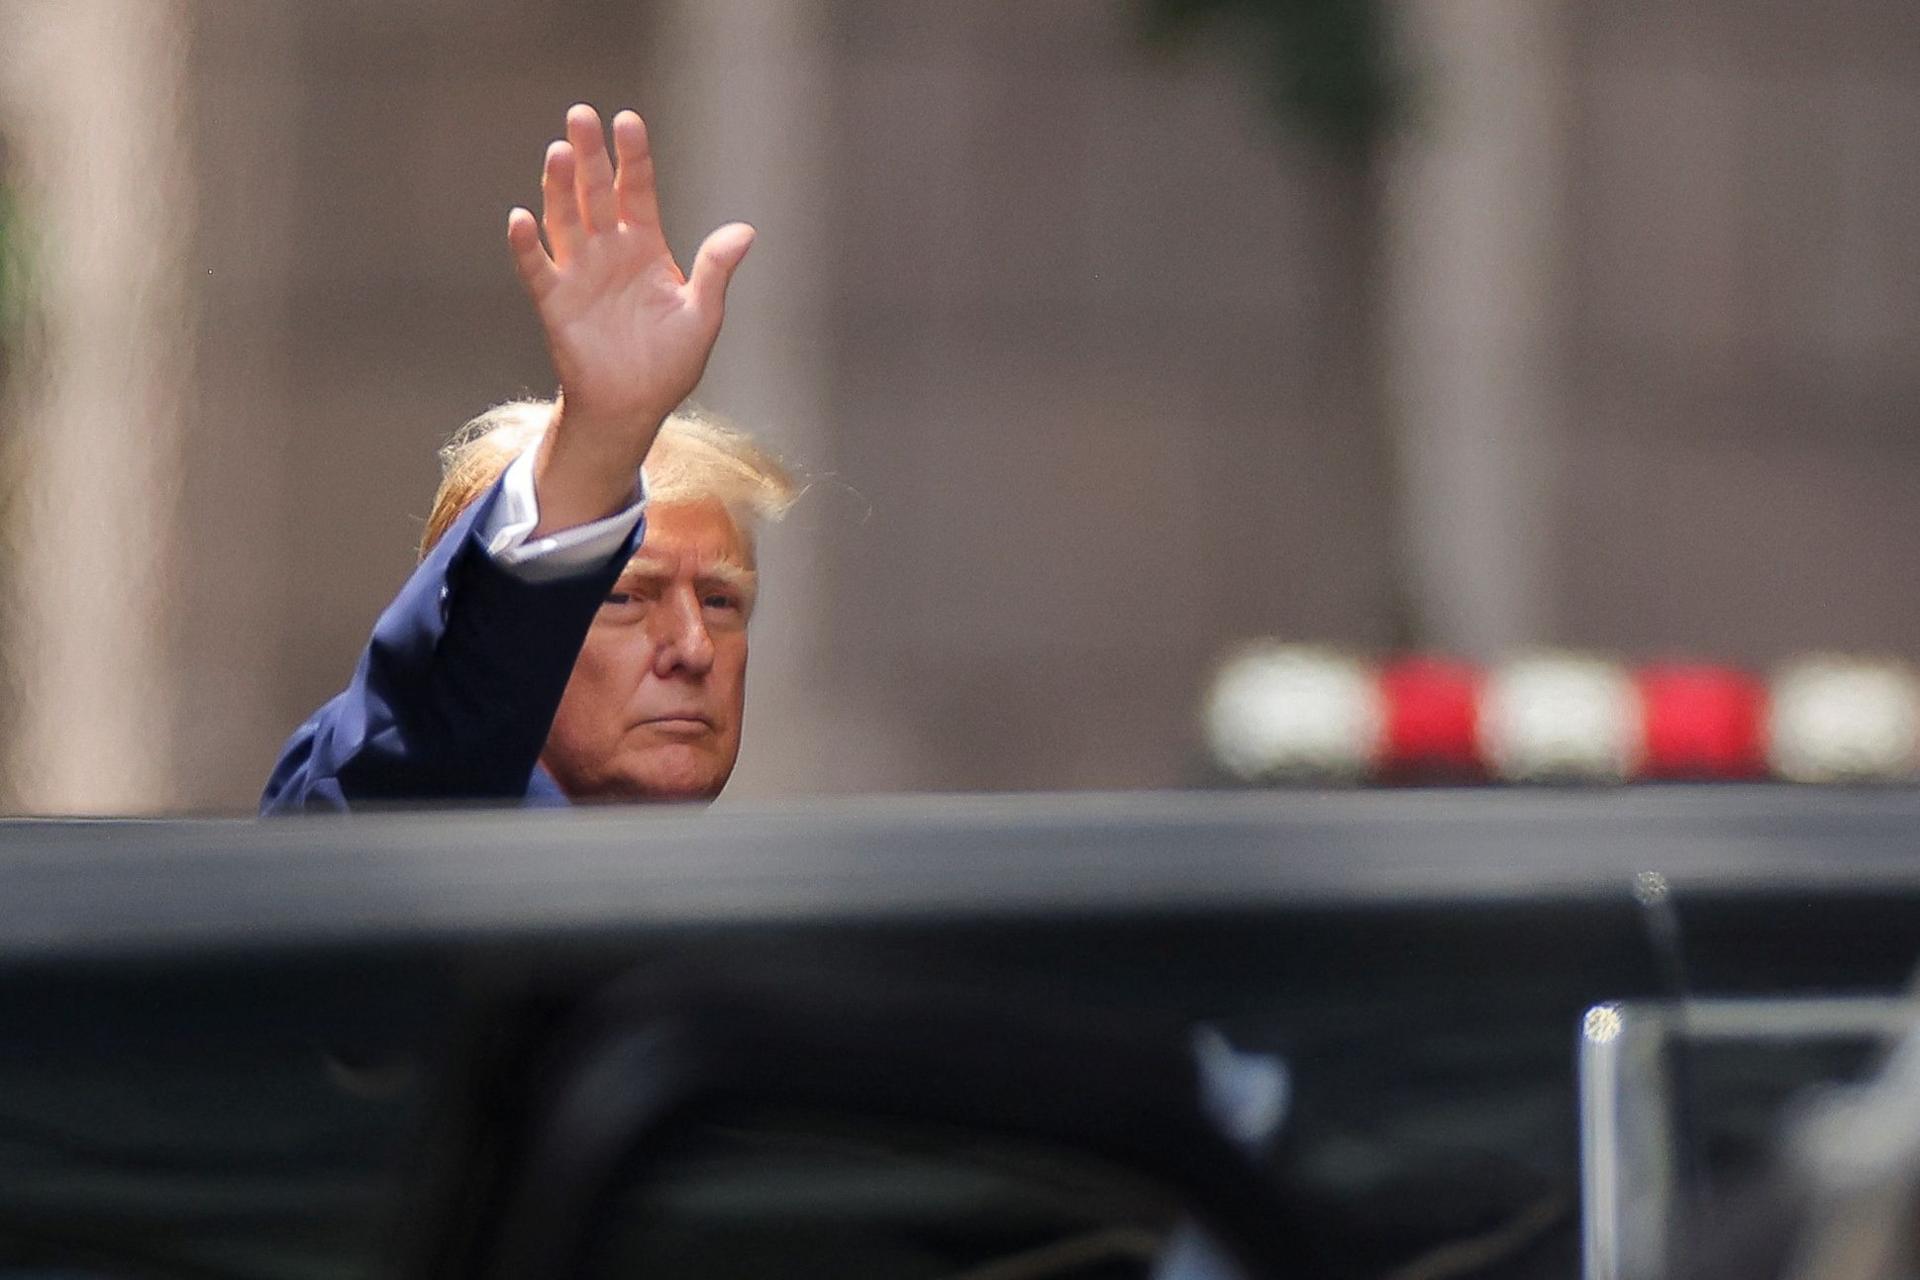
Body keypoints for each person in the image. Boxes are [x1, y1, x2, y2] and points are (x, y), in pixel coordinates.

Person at [262, 104, 793, 813]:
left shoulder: (786, 903)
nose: (694, 650)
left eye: (722, 602)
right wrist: (602, 436)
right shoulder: (397, 812)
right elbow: (409, 751)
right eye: (624, 596)